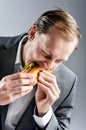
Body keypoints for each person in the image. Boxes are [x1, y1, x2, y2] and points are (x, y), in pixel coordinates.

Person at [0, 8, 81, 130]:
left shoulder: (68, 81)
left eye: (59, 61)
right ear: (33, 33)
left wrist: (44, 114)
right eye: (46, 55)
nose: (49, 66)